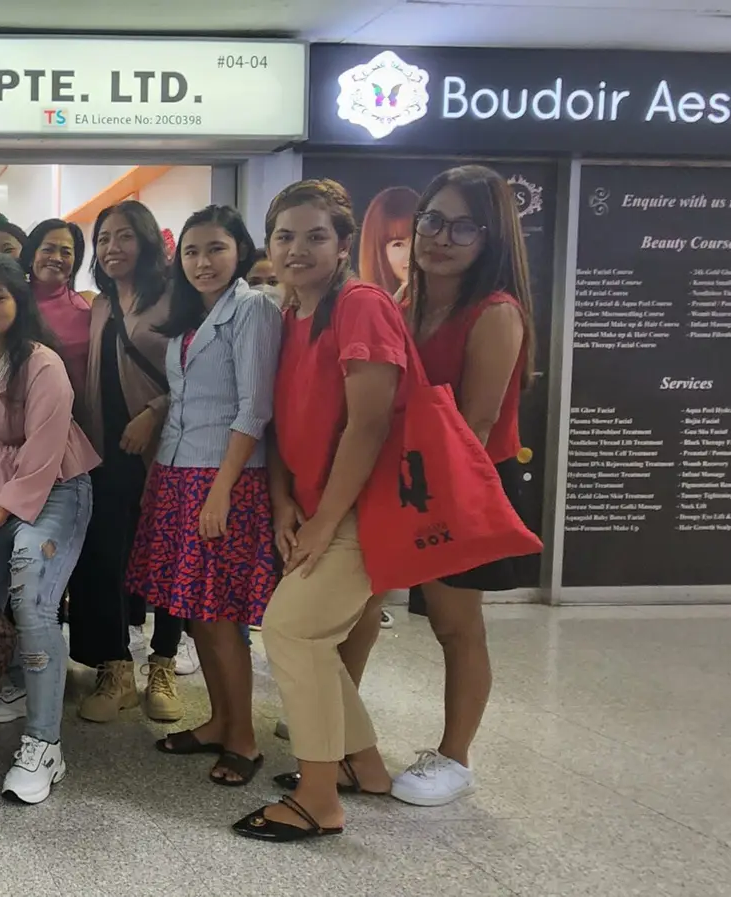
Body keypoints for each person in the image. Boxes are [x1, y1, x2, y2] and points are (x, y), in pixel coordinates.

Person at [233, 178, 404, 842]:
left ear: (342, 242)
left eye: (314, 236)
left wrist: (328, 520)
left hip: (364, 508)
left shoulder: (360, 305)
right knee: (311, 638)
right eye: (284, 236)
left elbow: (369, 424)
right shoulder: (291, 313)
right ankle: (362, 764)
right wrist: (283, 503)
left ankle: (318, 798)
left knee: (292, 632)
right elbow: (282, 421)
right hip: (313, 507)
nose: (296, 249)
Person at [389, 164, 537, 807]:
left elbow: (474, 426)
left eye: (463, 227)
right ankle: (336, 722)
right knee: (360, 608)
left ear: (491, 238)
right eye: (432, 219)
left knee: (455, 624)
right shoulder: (405, 300)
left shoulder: (495, 313)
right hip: (404, 477)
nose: (440, 237)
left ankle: (455, 758)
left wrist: (422, 502)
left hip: (461, 482)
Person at [132, 206, 282, 788]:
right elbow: (184, 398)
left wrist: (220, 492)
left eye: (216, 248)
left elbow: (254, 409)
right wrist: (160, 475)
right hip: (179, 472)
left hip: (224, 478)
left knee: (221, 618)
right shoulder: (192, 317)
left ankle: (242, 738)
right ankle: (220, 721)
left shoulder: (252, 309)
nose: (203, 262)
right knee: (197, 614)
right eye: (192, 251)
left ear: (239, 250)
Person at [0, 254, 99, 805]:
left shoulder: (41, 363)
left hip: (56, 487)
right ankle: (19, 680)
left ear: (19, 301)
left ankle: (45, 744)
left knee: (32, 594)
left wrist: (4, 510)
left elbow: (45, 446)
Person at [69, 201, 180, 725]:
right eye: (104, 239)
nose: (112, 248)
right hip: (107, 451)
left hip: (166, 449)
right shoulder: (100, 305)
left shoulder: (175, 299)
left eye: (124, 236)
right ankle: (116, 669)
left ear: (147, 241)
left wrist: (155, 413)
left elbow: (201, 375)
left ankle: (163, 663)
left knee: (167, 557)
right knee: (106, 558)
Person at [20, 219, 95, 397]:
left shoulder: (89, 305)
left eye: (66, 252)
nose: (56, 258)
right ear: (32, 255)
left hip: (82, 409)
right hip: (28, 407)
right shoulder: (14, 305)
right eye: (48, 249)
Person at [358, 186, 420, 298]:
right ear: (378, 252)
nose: (411, 254)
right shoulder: (365, 303)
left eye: (416, 239)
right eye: (398, 244)